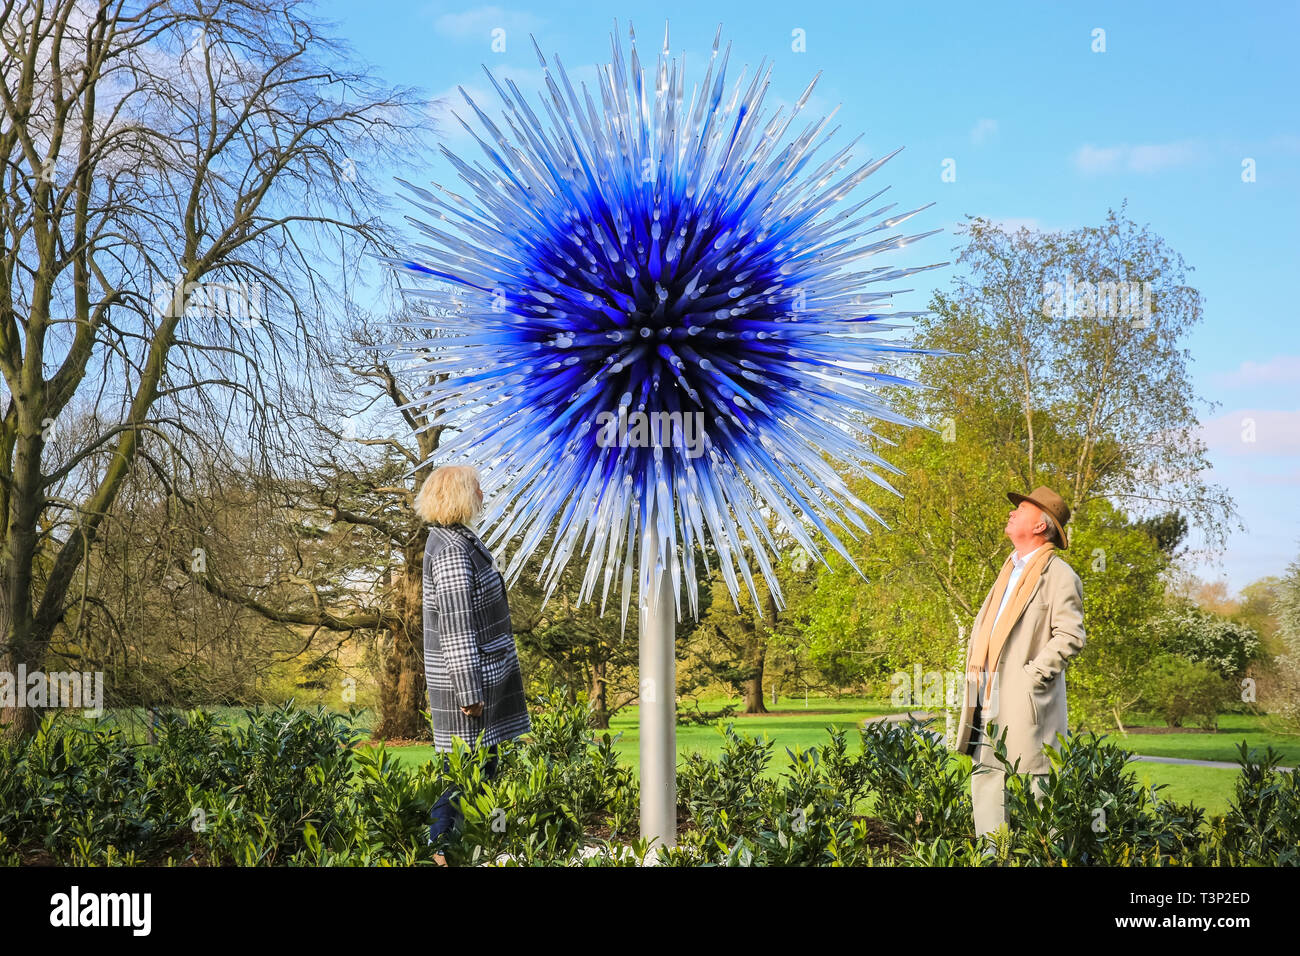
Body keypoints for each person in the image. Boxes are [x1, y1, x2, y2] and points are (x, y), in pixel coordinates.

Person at [952, 485, 1086, 842]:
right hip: (986, 694)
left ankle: (1046, 857)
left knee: (1038, 785)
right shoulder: (1007, 571)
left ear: (1041, 526)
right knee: (986, 780)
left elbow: (1071, 636)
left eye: (1022, 508)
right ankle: (991, 858)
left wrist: (1033, 677)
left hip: (1026, 700)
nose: (1011, 512)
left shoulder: (1059, 575)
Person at [414, 464, 530, 865]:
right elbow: (457, 624)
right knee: (465, 776)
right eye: (476, 487)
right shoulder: (450, 550)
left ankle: (458, 852)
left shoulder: (457, 539)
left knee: (477, 774)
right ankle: (441, 853)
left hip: (481, 681)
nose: (483, 493)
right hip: (468, 689)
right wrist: (468, 691)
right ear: (459, 495)